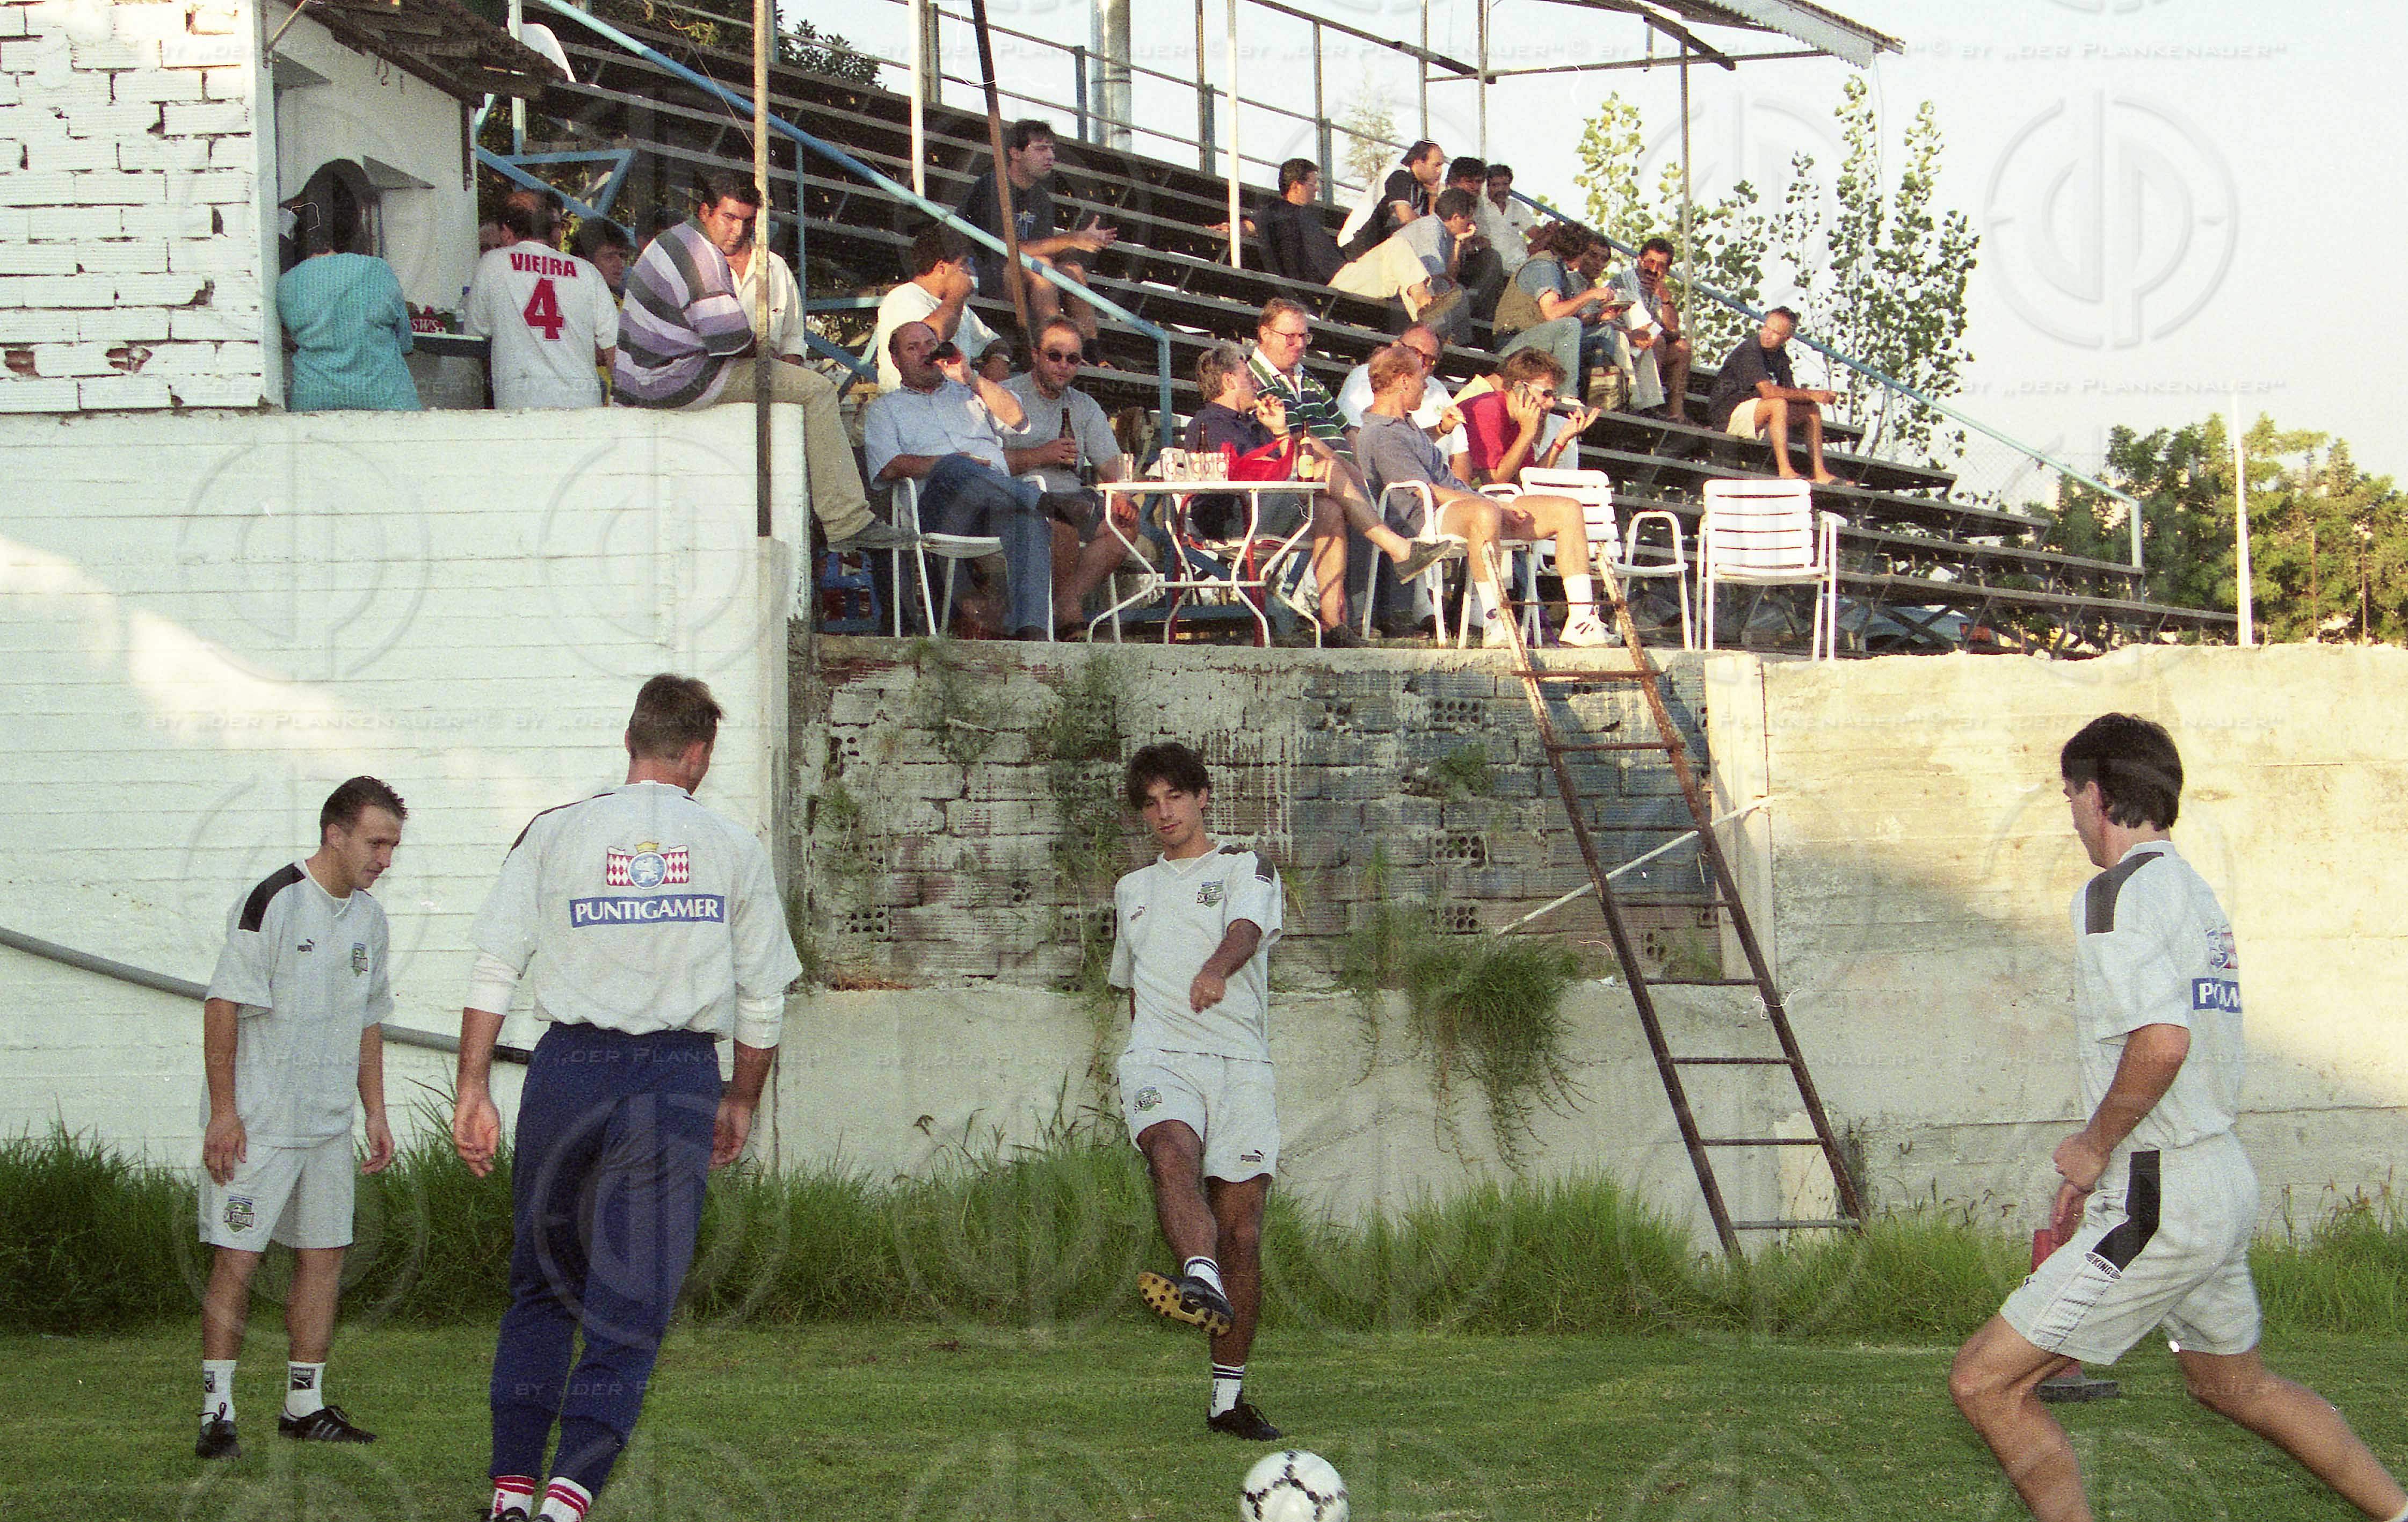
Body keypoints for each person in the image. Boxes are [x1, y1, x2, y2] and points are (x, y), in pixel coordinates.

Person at [1949, 715, 2408, 1522]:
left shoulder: (2113, 894)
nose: (2071, 816)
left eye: (2069, 796)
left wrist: (2093, 1148)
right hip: (2216, 1177)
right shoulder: (2194, 891)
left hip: (2161, 1193)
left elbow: (2162, 1041)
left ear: (2097, 794)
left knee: (1987, 1381)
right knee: (2234, 1385)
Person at [452, 675, 803, 1522]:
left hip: (566, 1069)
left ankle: (509, 1493)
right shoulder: (730, 844)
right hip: (676, 1076)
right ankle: (567, 1500)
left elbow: (495, 964)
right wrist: (742, 1101)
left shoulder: (554, 832)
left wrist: (472, 1085)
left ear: (629, 740)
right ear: (698, 755)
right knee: (631, 1295)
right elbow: (763, 1000)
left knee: (542, 1284)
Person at [195, 777, 406, 1459]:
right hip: (258, 1124)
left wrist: (375, 1111)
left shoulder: (370, 919)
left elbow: (370, 1019)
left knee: (324, 1256)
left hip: (326, 1125)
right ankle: (217, 1411)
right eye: (376, 842)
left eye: (393, 845)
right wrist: (225, 1114)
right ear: (335, 833)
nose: (385, 857)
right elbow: (223, 1004)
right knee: (238, 1260)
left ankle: (303, 1404)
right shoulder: (274, 901)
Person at [1114, 742, 1287, 1441]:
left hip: (1241, 1059)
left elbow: (1246, 930)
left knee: (1243, 1231)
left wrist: (1217, 968)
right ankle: (1198, 1274)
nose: (1164, 813)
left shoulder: (1247, 864)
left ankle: (1227, 1402)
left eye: (1175, 797)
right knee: (1169, 1151)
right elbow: (1132, 984)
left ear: (1202, 796)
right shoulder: (1131, 890)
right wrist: (1140, 1052)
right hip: (1159, 1055)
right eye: (1151, 803)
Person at [615, 173, 910, 552]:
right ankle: (847, 521)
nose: (737, 231)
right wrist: (763, 348)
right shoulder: (701, 258)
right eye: (728, 218)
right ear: (705, 211)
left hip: (645, 378)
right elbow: (732, 342)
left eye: (746, 221)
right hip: (671, 379)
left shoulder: (673, 241)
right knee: (817, 390)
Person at [866, 321, 1130, 640]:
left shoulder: (970, 394)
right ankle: (1046, 502)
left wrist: (970, 377)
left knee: (1029, 521)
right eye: (913, 347)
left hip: (995, 505)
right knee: (954, 467)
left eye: (929, 343)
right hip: (939, 509)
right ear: (895, 360)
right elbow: (888, 468)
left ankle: (1033, 635)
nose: (925, 352)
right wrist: (946, 463)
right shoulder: (885, 409)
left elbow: (1018, 419)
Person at [1185, 343, 1457, 647]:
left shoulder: (1253, 421)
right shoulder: (1211, 423)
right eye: (1248, 375)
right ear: (1229, 381)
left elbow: (1282, 463)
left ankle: (1333, 624)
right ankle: (1399, 550)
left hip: (1264, 508)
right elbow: (1252, 473)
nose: (1256, 382)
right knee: (1327, 469)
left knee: (1330, 509)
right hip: (1231, 517)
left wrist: (1279, 431)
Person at [1354, 342, 1611, 648]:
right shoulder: (1380, 431)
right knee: (1485, 512)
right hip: (1422, 518)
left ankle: (1581, 620)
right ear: (1403, 380)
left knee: (1566, 509)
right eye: (1421, 379)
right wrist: (1493, 504)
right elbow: (1427, 492)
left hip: (1458, 506)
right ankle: (1495, 621)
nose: (1426, 386)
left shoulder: (1406, 424)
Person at [955, 119, 1116, 356]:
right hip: (985, 273)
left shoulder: (1040, 197)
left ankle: (1092, 352)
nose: (1050, 156)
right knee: (1042, 266)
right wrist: (1070, 239)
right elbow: (1002, 247)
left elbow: (1040, 246)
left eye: (1052, 149)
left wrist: (1084, 241)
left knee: (1073, 270)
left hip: (1021, 273)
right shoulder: (992, 186)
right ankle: (1050, 347)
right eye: (1041, 149)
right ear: (1015, 153)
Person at [463, 202, 618, 409]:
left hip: (520, 404)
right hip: (582, 404)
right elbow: (614, 348)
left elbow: (474, 335)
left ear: (507, 232)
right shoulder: (587, 271)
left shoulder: (493, 263)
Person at [277, 222, 418, 412]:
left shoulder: (285, 284)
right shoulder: (377, 269)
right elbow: (405, 343)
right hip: (386, 398)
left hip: (313, 400)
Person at [1493, 223, 1629, 405]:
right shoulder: (1544, 267)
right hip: (1514, 341)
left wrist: (1599, 317)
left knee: (1604, 332)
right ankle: (1567, 395)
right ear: (1578, 253)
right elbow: (1553, 314)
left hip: (1538, 337)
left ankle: (1601, 398)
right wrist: (1590, 295)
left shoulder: (1558, 269)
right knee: (1570, 326)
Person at [1706, 307, 1839, 484]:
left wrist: (1815, 398)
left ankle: (1820, 473)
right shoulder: (1750, 350)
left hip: (1758, 413)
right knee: (1778, 404)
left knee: (1811, 410)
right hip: (1728, 414)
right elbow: (1769, 392)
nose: (1767, 335)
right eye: (1766, 328)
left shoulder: (1780, 357)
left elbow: (1790, 392)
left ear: (1787, 338)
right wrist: (1812, 394)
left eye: (1775, 332)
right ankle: (1785, 470)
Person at [1329, 186, 1484, 338]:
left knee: (1458, 292)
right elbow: (1435, 275)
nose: (1471, 224)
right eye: (1469, 218)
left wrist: (1458, 243)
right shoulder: (1429, 227)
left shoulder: (1448, 237)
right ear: (1456, 218)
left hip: (1391, 287)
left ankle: (1453, 343)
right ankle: (1430, 324)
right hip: (1358, 281)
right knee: (1402, 250)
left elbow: (1449, 279)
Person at [872, 223, 1004, 394]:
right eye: (963, 264)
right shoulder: (904, 298)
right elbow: (931, 338)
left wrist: (999, 360)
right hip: (912, 402)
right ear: (942, 267)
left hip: (955, 402)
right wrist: (957, 294)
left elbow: (994, 341)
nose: (969, 271)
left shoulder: (955, 306)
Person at [1448, 347, 1598, 487]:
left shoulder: (1520, 417)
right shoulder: (1488, 409)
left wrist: (1560, 441)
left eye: (1554, 396)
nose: (1552, 403)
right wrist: (1527, 434)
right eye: (1546, 394)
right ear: (1520, 387)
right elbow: (1494, 481)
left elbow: (1528, 480)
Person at [1609, 236, 1693, 420]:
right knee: (1659, 341)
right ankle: (1647, 403)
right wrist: (1667, 331)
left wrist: (1664, 298)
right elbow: (1645, 329)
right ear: (1640, 260)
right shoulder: (1625, 281)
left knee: (1683, 349)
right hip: (1621, 339)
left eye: (1661, 266)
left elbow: (1673, 328)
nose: (1654, 270)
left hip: (1645, 345)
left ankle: (1676, 412)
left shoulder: (1657, 290)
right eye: (1650, 262)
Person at [1336, 322, 1455, 434]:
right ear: (1396, 347)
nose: (1419, 361)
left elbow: (1460, 453)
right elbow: (1354, 436)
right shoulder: (1367, 376)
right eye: (1414, 352)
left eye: (1429, 359)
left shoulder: (1439, 389)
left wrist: (1442, 429)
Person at [1338, 138, 1444, 259]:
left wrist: (1433, 195)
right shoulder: (1400, 176)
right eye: (1436, 165)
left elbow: (1430, 225)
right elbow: (1406, 218)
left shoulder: (1422, 190)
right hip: (1359, 248)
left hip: (1381, 250)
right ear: (1418, 162)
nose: (1440, 171)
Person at [1253, 158, 1346, 286]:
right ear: (1296, 187)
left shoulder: (1306, 215)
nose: (1317, 189)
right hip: (1321, 283)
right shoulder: (1275, 211)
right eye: (1312, 184)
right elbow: (1252, 225)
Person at [569, 219, 634, 300]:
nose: (620, 264)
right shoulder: (570, 300)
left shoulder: (624, 298)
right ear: (585, 262)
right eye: (609, 257)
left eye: (622, 256)